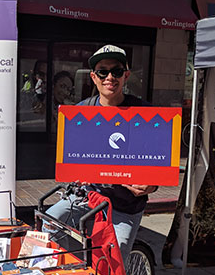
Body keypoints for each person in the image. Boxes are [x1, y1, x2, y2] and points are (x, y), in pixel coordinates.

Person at [46, 44, 157, 262]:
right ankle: (72, 269)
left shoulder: (146, 115)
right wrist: (75, 173)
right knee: (49, 224)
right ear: (93, 77)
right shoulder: (80, 113)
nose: (110, 77)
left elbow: (156, 163)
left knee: (112, 259)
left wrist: (151, 185)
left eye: (116, 71)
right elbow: (71, 160)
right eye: (103, 71)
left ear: (126, 75)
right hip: (86, 197)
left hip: (123, 206)